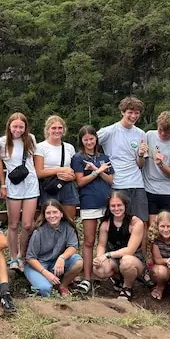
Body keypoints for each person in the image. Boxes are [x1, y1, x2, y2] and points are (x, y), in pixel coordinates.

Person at [71, 125, 114, 295]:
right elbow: (80, 182)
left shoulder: (104, 157)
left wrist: (97, 170)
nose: (89, 142)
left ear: (96, 139)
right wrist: (97, 172)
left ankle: (110, 273)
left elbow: (111, 180)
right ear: (81, 141)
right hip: (89, 202)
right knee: (89, 241)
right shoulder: (78, 158)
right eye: (86, 139)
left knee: (108, 240)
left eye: (91, 139)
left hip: (107, 203)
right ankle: (87, 278)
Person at [97, 97, 148, 223]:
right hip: (117, 184)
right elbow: (88, 144)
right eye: (130, 112)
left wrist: (141, 155)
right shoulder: (108, 131)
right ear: (122, 112)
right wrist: (98, 166)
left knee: (141, 222)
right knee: (118, 222)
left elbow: (140, 164)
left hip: (137, 184)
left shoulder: (141, 134)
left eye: (137, 113)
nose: (133, 116)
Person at [0, 112, 40, 270]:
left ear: (25, 127)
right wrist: (2, 185)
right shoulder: (2, 142)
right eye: (15, 126)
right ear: (9, 126)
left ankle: (22, 255)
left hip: (30, 184)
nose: (18, 130)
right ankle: (13, 257)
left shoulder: (30, 139)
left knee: (28, 224)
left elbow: (35, 161)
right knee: (13, 223)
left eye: (21, 127)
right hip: (13, 185)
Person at [92, 191, 147, 300]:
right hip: (115, 260)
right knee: (99, 269)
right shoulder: (105, 224)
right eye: (113, 206)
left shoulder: (136, 223)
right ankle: (118, 278)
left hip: (134, 260)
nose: (116, 208)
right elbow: (101, 245)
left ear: (125, 205)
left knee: (126, 261)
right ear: (109, 207)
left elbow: (130, 250)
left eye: (119, 205)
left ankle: (127, 288)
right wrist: (99, 258)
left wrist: (107, 255)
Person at [24, 199, 84, 297]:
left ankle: (63, 286)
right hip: (38, 265)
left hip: (55, 262)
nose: (52, 216)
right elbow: (30, 258)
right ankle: (40, 283)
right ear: (44, 215)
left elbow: (73, 247)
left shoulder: (68, 227)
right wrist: (46, 274)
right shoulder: (38, 231)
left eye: (55, 212)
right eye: (48, 213)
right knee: (45, 290)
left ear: (61, 214)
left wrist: (62, 258)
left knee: (78, 261)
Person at [142, 111, 170, 223]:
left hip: (169, 192)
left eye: (167, 132)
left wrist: (161, 165)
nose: (162, 134)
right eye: (160, 130)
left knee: (168, 227)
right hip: (149, 189)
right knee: (151, 226)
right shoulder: (149, 135)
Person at [35, 115, 79, 219]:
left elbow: (74, 171)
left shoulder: (69, 147)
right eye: (54, 128)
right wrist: (60, 170)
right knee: (49, 220)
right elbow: (39, 172)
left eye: (60, 128)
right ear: (48, 130)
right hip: (49, 187)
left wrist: (72, 177)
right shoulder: (40, 147)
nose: (57, 131)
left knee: (69, 220)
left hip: (67, 186)